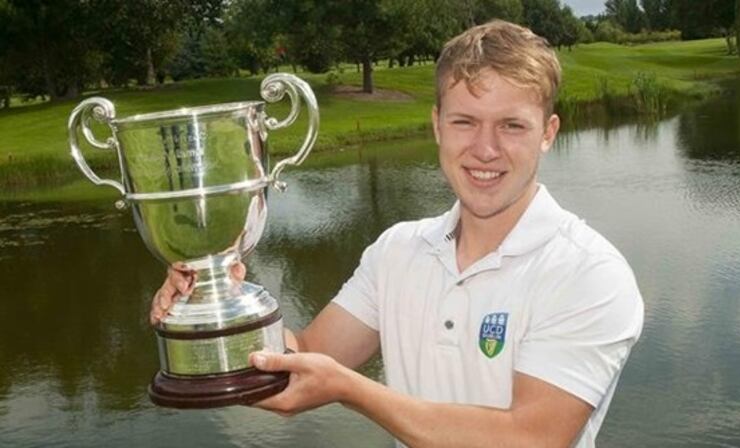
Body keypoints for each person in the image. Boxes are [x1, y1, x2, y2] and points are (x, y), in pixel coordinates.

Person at [152, 20, 643, 447]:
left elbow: (530, 438)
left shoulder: (589, 273)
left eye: (512, 126)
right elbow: (301, 361)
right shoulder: (398, 250)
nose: (485, 149)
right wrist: (216, 303)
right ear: (437, 125)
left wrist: (351, 389)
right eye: (465, 122)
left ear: (548, 132)